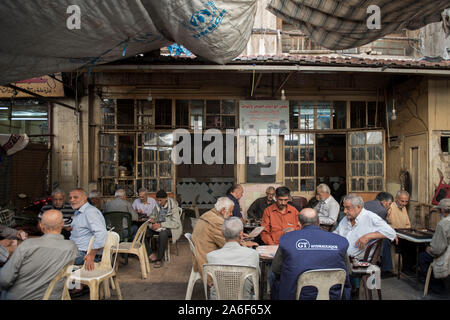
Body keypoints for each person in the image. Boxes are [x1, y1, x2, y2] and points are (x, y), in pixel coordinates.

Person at [272, 208, 351, 300]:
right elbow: (348, 271)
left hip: (297, 295)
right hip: (333, 295)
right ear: (319, 222)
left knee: (274, 279)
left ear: (299, 224)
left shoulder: (287, 239)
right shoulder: (340, 241)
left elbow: (276, 269)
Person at [0, 210, 78, 300]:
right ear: (62, 224)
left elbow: (4, 280)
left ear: (41, 226)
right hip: (52, 297)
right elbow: (72, 283)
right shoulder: (72, 247)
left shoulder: (27, 245)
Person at [192, 197, 256, 280]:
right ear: (223, 210)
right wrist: (246, 243)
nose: (231, 214)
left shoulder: (209, 214)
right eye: (230, 211)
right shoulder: (217, 222)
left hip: (201, 255)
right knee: (245, 259)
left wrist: (238, 234)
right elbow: (228, 245)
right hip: (208, 263)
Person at [206, 217, 260, 300]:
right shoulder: (253, 254)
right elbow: (257, 278)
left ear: (222, 233)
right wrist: (247, 249)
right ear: (241, 234)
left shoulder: (211, 256)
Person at [333, 194, 397, 260]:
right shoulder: (346, 219)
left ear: (358, 207)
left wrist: (368, 236)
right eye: (344, 208)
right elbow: (336, 233)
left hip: (355, 261)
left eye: (348, 208)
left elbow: (391, 233)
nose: (345, 211)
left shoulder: (370, 217)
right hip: (339, 257)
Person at [67, 188, 107, 270]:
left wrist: (91, 255)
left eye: (75, 197)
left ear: (84, 198)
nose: (72, 200)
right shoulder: (78, 211)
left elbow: (101, 233)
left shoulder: (90, 212)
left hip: (85, 253)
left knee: (54, 259)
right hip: (78, 250)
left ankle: (67, 281)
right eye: (70, 198)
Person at [418, 199, 450, 294]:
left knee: (422, 257)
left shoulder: (443, 224)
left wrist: (430, 249)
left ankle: (436, 286)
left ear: (443, 211)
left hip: (447, 258)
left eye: (439, 211)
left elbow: (437, 249)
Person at [147, 190, 182, 268]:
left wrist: (161, 224)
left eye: (160, 200)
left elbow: (176, 224)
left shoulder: (173, 207)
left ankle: (159, 259)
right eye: (157, 200)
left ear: (166, 198)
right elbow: (153, 214)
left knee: (163, 234)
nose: (159, 202)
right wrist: (152, 219)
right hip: (158, 227)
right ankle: (151, 254)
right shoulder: (157, 205)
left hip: (171, 228)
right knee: (143, 233)